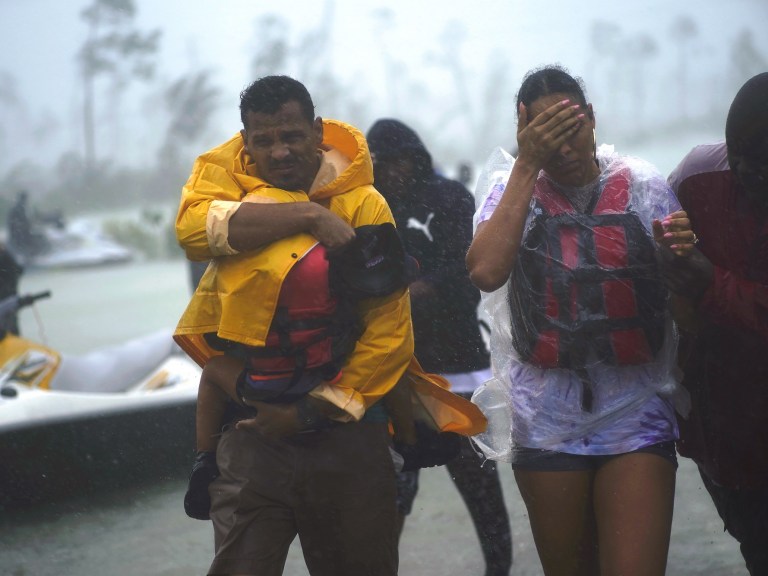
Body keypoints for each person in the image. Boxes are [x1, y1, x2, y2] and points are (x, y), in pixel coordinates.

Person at [173, 75, 485, 576]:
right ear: (245, 141)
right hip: (252, 427)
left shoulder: (363, 204)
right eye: (263, 140)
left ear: (318, 131)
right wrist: (306, 217)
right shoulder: (225, 180)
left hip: (346, 433)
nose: (279, 151)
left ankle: (410, 445)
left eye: (292, 136)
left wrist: (308, 413)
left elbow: (388, 335)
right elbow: (192, 231)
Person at [466, 65, 696, 576]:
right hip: (546, 417)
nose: (563, 148)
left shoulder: (641, 186)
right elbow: (485, 271)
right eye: (545, 135)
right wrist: (528, 163)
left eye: (570, 128)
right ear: (524, 132)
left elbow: (689, 311)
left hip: (636, 413)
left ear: (592, 118)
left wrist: (684, 259)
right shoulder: (510, 191)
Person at [366, 118, 513, 576]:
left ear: (417, 157)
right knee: (392, 491)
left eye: (400, 161)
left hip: (458, 369)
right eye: (382, 164)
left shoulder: (450, 197)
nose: (393, 172)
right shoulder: (368, 210)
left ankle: (499, 570)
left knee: (480, 485)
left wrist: (419, 291)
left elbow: (474, 275)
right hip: (395, 376)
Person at [664, 72, 768, 576]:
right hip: (725, 420)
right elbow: (655, 265)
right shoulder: (697, 179)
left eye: (765, 167)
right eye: (743, 160)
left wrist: (712, 280)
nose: (752, 175)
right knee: (758, 545)